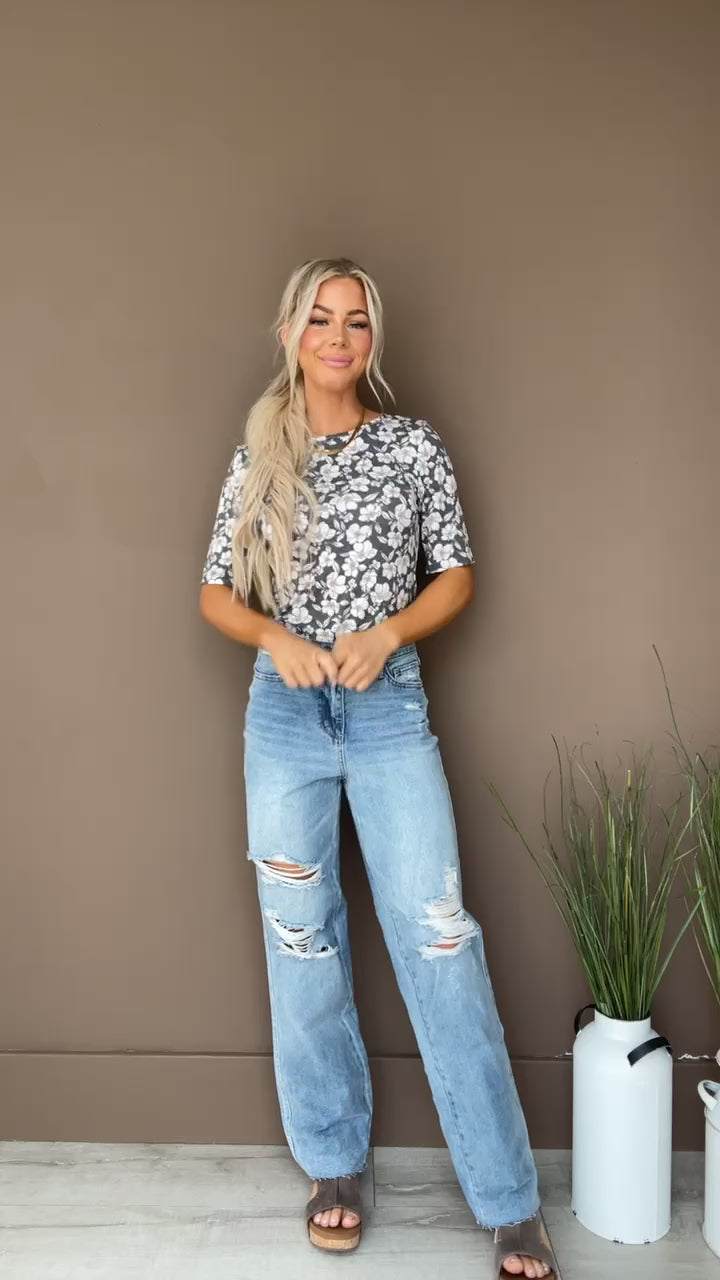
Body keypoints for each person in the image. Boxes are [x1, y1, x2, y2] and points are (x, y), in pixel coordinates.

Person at [199, 257, 560, 1279]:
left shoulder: (410, 444)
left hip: (388, 710)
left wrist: (389, 631)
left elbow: (458, 575)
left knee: (440, 938)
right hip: (285, 717)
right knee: (301, 941)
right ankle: (334, 1164)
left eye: (355, 321)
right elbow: (215, 592)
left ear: (372, 338)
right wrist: (277, 638)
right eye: (320, 318)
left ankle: (509, 1201)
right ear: (290, 333)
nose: (338, 335)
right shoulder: (259, 450)